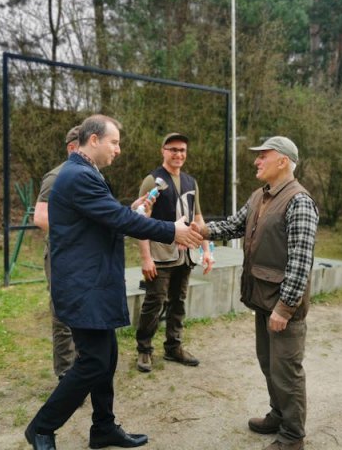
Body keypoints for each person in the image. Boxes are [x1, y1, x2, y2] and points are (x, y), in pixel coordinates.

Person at [25, 114, 204, 450]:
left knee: (106, 357)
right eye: (114, 142)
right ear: (94, 140)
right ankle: (42, 427)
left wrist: (132, 210)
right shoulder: (78, 175)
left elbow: (108, 217)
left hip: (94, 283)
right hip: (84, 286)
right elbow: (116, 219)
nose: (118, 150)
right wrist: (172, 230)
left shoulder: (85, 173)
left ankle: (103, 427)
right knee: (93, 360)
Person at [192, 136, 318, 450]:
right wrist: (201, 230)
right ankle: (278, 415)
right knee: (269, 363)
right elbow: (234, 225)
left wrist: (285, 308)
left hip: (281, 307)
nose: (256, 161)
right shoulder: (260, 196)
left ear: (283, 161)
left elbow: (301, 262)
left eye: (264, 156)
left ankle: (292, 437)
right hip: (263, 299)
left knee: (287, 370)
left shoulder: (299, 201)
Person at [135, 132, 213, 373]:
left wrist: (206, 250)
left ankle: (173, 347)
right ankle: (144, 349)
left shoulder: (191, 182)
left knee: (178, 301)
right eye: (173, 149)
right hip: (160, 255)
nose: (178, 154)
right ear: (163, 151)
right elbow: (140, 221)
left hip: (185, 254)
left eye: (182, 150)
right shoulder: (152, 180)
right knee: (155, 301)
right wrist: (146, 258)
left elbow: (198, 218)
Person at [33, 126, 79, 379]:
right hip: (62, 255)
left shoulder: (91, 174)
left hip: (85, 256)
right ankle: (65, 374)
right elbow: (40, 217)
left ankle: (82, 370)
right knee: (63, 316)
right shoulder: (56, 177)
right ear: (72, 147)